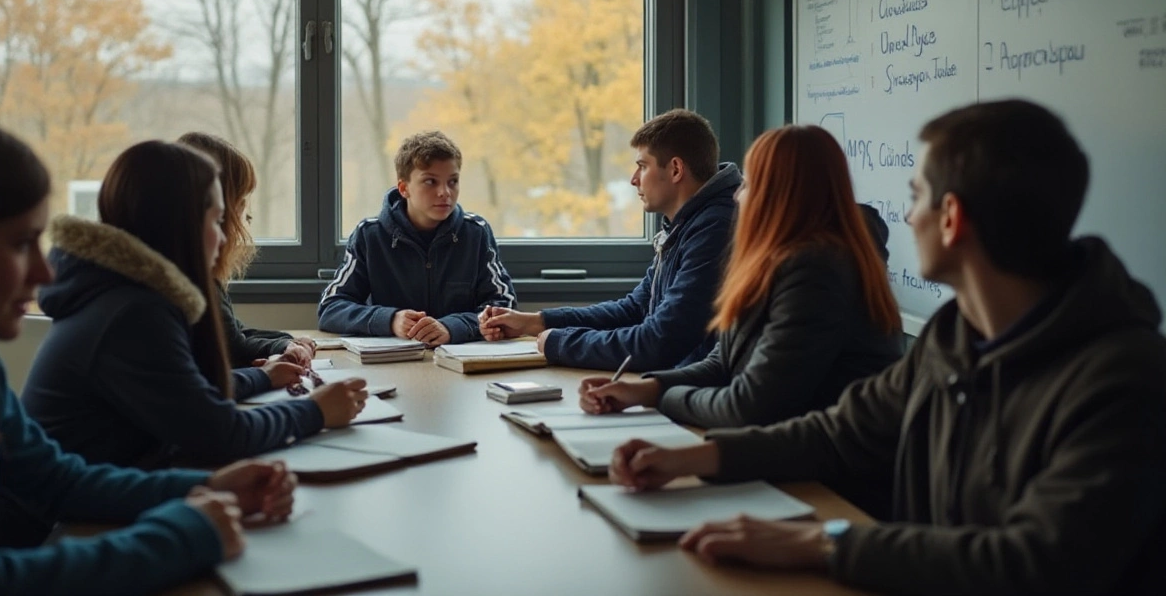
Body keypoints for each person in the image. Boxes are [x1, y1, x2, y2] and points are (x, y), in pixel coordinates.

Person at [609, 100, 1166, 595]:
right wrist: (692, 457)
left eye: (916, 195)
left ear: (951, 219)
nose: (905, 215)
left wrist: (823, 544)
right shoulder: (954, 336)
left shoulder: (1123, 378)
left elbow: (1035, 563)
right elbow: (841, 430)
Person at [0, 111, 297, 594]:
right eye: (21, 244)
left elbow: (59, 479)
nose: (45, 273)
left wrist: (206, 488)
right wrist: (185, 534)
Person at [22, 140, 368, 470]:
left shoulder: (127, 293)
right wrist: (316, 411)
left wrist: (261, 377)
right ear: (180, 223)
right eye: (217, 221)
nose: (224, 236)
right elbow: (221, 434)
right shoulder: (134, 312)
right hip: (74, 523)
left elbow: (187, 396)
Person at [578, 125, 902, 429]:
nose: (736, 196)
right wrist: (643, 390)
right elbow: (722, 363)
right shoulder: (773, 261)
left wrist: (657, 397)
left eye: (747, 185)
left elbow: (748, 404)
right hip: (775, 452)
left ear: (779, 195)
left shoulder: (817, 274)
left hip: (821, 478)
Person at [478, 109, 741, 372]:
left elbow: (657, 343)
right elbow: (635, 309)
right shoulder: (686, 225)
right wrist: (535, 322)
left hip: (700, 398)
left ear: (675, 169)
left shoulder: (715, 228)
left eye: (642, 166)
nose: (633, 179)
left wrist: (560, 343)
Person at [318, 130, 516, 346]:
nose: (445, 192)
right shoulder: (370, 235)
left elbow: (505, 306)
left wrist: (452, 327)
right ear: (404, 188)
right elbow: (331, 308)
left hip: (460, 362)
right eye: (430, 182)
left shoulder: (476, 232)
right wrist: (391, 320)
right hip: (395, 364)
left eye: (453, 181)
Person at [177, 132, 315, 371]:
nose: (245, 217)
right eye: (240, 203)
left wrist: (283, 342)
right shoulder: (188, 277)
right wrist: (268, 371)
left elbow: (233, 334)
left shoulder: (194, 268)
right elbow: (231, 348)